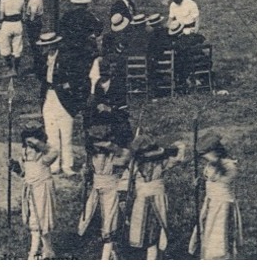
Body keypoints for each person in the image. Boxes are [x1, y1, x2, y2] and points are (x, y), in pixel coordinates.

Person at [126, 138, 185, 259]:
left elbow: (179, 155)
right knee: (143, 231)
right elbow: (125, 181)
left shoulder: (162, 162)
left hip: (158, 200)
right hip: (141, 201)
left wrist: (168, 150)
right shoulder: (134, 164)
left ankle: (153, 257)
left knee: (155, 230)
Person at [78, 126, 131, 260]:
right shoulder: (92, 156)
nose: (98, 146)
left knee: (109, 222)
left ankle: (106, 256)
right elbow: (89, 174)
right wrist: (85, 173)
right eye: (95, 143)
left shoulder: (114, 156)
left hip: (110, 191)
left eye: (101, 143)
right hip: (96, 190)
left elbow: (127, 155)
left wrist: (112, 147)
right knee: (89, 218)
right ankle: (110, 250)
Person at [189, 132, 243, 259]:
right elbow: (209, 180)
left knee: (220, 238)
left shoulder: (230, 165)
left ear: (215, 152)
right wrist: (199, 183)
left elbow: (226, 177)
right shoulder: (210, 165)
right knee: (207, 232)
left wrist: (216, 160)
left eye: (205, 155)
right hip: (210, 203)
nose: (204, 158)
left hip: (223, 206)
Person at [35, 30, 81, 177]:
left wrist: (69, 85)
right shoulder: (43, 59)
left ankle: (67, 165)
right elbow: (39, 76)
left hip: (63, 98)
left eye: (47, 46)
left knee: (66, 134)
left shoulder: (66, 58)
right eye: (43, 46)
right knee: (51, 132)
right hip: (49, 96)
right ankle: (54, 164)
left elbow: (77, 75)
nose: (44, 48)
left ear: (54, 45)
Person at [9, 123, 59, 260]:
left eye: (33, 140)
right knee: (34, 218)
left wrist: (39, 144)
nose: (29, 145)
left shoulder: (44, 155)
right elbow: (24, 172)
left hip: (42, 187)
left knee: (41, 219)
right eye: (27, 140)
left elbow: (53, 152)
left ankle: (34, 252)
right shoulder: (25, 154)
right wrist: (15, 167)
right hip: (30, 188)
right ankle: (48, 250)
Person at [0, 0, 25, 75]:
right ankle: (15, 69)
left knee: (5, 47)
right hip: (18, 23)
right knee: (17, 47)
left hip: (7, 24)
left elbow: (1, 15)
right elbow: (23, 15)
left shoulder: (4, 0)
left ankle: (10, 68)